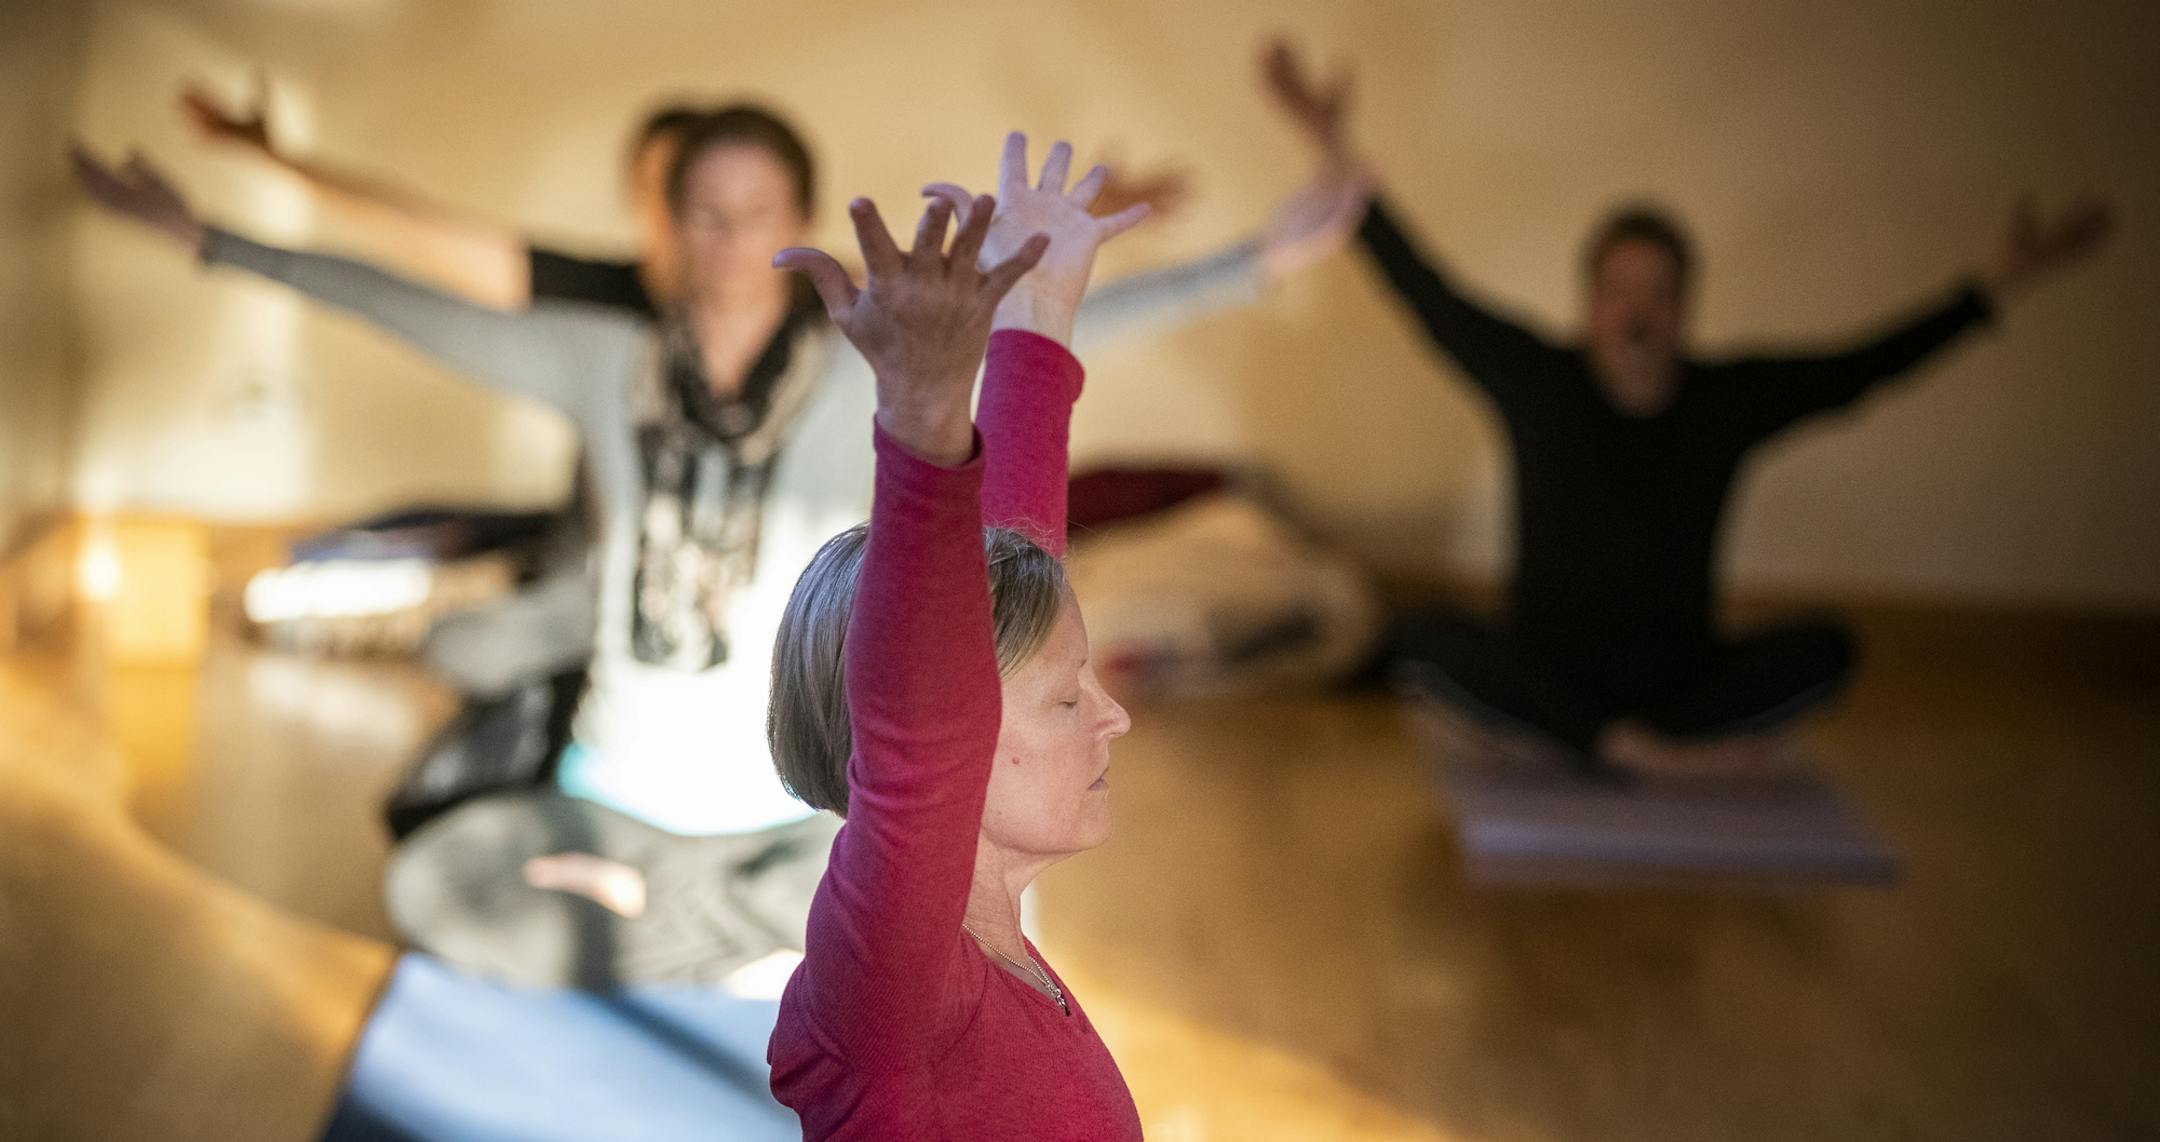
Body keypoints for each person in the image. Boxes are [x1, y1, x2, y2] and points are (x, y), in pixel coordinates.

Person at [72, 105, 1365, 987]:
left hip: (785, 817)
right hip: (607, 796)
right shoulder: (605, 362)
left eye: (756, 212)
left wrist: (1257, 261)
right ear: (669, 226)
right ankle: (730, 938)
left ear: (800, 222)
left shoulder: (872, 368)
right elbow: (407, 310)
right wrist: (209, 237)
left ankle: (690, 928)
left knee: (941, 880)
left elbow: (1068, 327)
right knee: (434, 885)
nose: (728, 241)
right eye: (701, 212)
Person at [1260, 40, 2116, 781]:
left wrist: (2005, 282)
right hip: (1550, 670)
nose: (1637, 313)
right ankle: (1631, 751)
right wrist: (1331, 146)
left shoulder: (1727, 401)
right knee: (1428, 640)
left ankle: (1607, 747)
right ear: (1589, 305)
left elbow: (1866, 367)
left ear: (1685, 309)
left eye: (1658, 295)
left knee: (1832, 650)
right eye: (1619, 293)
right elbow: (1426, 291)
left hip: (1681, 683)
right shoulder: (1537, 381)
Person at [764, 130, 1143, 1139]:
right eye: (1069, 697)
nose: (1116, 716)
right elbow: (923, 721)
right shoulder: (898, 991)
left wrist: (1041, 311)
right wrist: (923, 412)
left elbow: (1016, 576)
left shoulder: (984, 948)